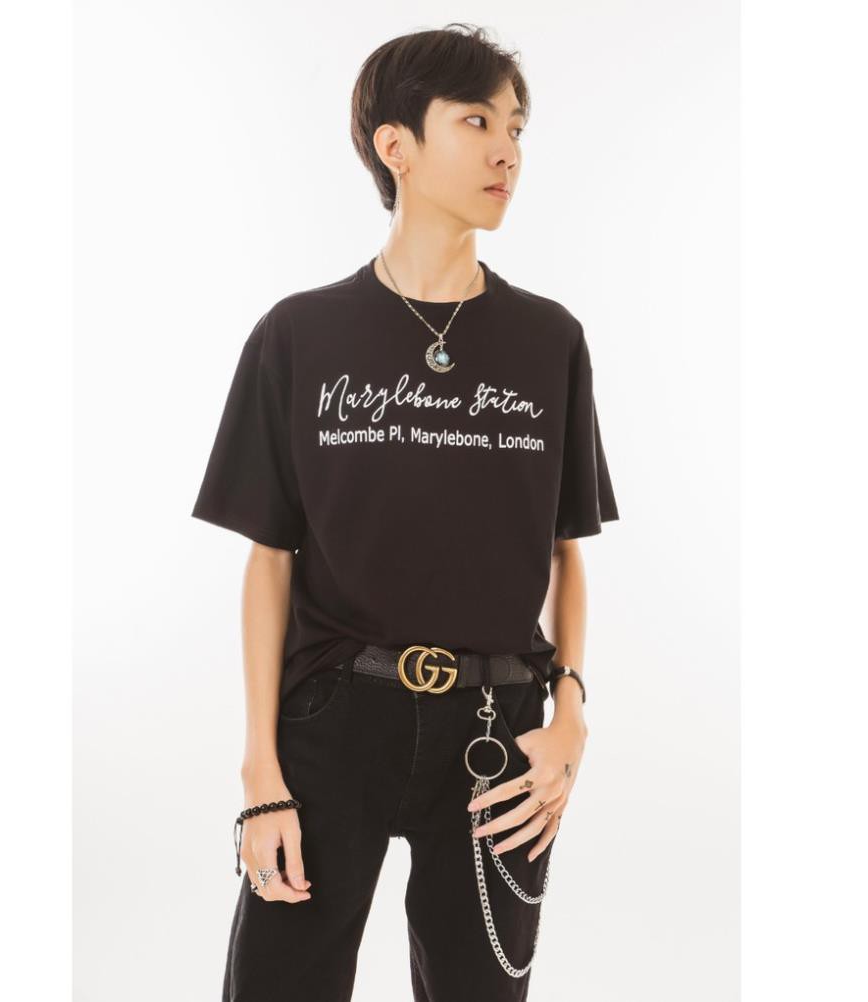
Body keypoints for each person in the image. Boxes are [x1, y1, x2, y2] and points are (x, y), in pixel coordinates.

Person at [192, 23, 619, 1002]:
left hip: (498, 733)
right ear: (397, 145)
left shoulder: (549, 341)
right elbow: (269, 559)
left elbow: (566, 549)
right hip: (332, 721)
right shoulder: (299, 335)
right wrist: (262, 773)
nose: (507, 150)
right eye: (477, 121)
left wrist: (569, 717)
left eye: (517, 127)